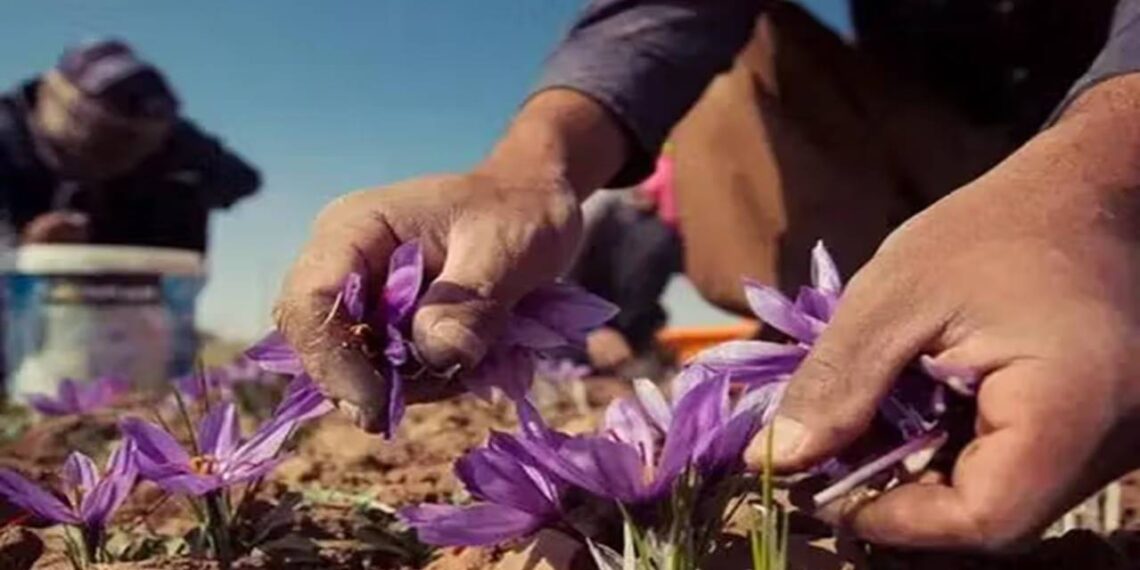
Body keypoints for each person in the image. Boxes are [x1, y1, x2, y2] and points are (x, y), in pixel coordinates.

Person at [275, 0, 1140, 553]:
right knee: (733, 63)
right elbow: (664, 14)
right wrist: (525, 170)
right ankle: (872, 358)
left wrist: (1096, 181)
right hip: (930, 143)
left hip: (1110, 129)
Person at [0, 39, 261, 253]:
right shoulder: (7, 134)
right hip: (18, 288)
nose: (124, 141)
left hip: (132, 279)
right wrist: (24, 247)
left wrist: (160, 172)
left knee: (181, 188)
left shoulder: (168, 136)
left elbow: (242, 179)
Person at [569, 151, 682, 375]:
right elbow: (549, 278)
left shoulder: (673, 229)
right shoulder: (604, 206)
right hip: (571, 337)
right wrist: (591, 329)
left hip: (629, 345)